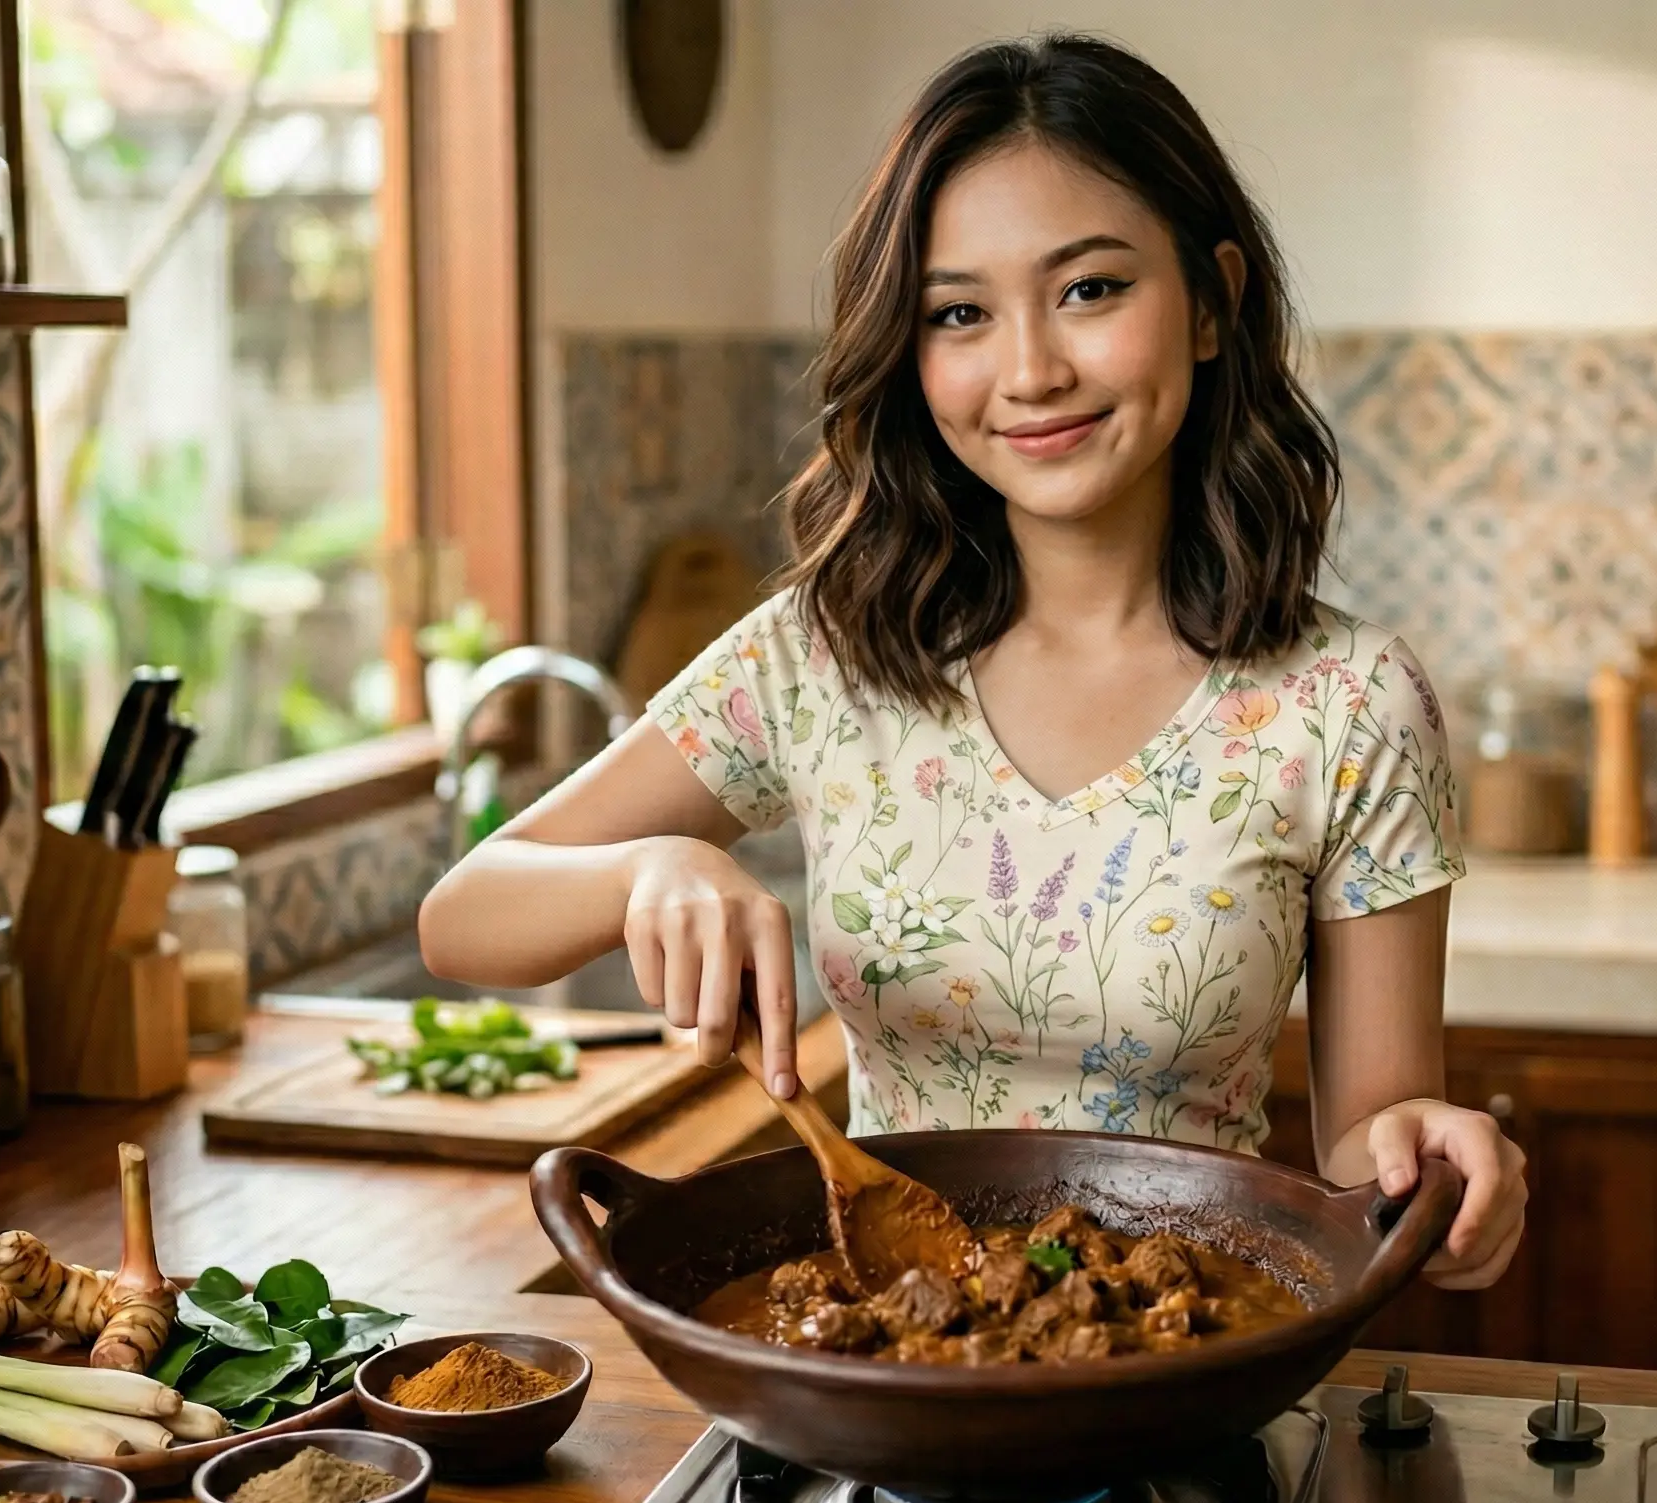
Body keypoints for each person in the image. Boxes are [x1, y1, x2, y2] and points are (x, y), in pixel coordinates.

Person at [421, 33, 1524, 1289]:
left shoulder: (1347, 703)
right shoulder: (824, 657)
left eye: (1090, 290)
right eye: (958, 313)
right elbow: (463, 919)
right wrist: (648, 867)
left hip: (1195, 1364)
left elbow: (1361, 1155)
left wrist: (1434, 1165)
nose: (1029, 371)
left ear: (1211, 302)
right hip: (898, 1367)